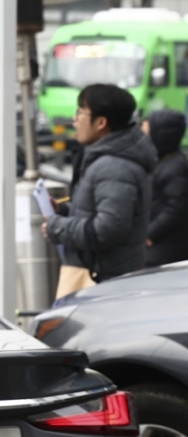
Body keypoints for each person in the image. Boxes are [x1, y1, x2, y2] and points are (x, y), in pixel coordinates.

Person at [44, 84, 157, 297]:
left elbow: (108, 229)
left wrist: (58, 227)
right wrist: (66, 212)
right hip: (102, 278)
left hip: (105, 284)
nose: (75, 119)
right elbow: (101, 213)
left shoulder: (115, 167)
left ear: (101, 123)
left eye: (80, 112)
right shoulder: (107, 160)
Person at [144, 109, 188, 266]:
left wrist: (150, 235)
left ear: (160, 136)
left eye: (146, 134)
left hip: (165, 249)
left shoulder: (174, 168)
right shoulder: (162, 162)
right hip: (161, 247)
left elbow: (177, 207)